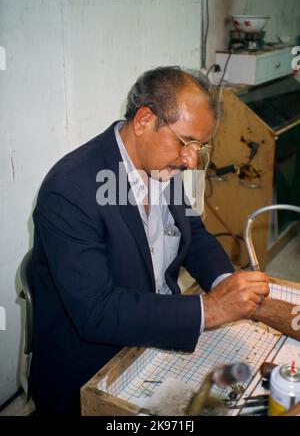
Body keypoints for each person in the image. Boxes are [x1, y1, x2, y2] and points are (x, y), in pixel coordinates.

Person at [29, 66, 269, 415]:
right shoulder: (70, 189)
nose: (191, 160)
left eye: (200, 147)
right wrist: (212, 308)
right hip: (94, 365)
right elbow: (96, 312)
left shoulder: (162, 162)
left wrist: (225, 283)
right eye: (187, 143)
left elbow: (195, 234)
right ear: (143, 121)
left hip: (159, 331)